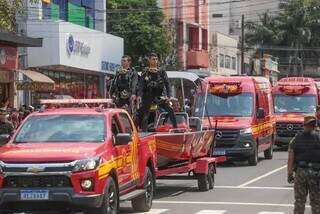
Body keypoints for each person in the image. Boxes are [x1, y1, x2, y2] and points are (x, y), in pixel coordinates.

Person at [287, 116, 320, 214]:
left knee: (299, 201)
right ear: (315, 125)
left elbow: (290, 159)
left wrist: (289, 174)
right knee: (316, 202)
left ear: (304, 125)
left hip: (300, 173)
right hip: (316, 173)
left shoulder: (295, 139)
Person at [138, 52, 177, 131]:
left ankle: (176, 128)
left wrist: (169, 96)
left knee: (170, 109)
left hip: (159, 95)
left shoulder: (161, 71)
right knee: (146, 114)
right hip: (148, 95)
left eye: (156, 59)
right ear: (149, 60)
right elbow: (141, 84)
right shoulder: (145, 71)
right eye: (153, 59)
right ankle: (144, 132)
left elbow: (167, 83)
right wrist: (139, 95)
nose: (155, 61)